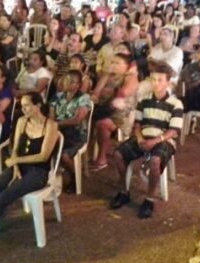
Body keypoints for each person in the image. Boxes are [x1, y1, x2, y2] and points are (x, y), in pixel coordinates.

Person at [0, 92, 59, 241]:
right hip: (20, 165)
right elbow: (15, 148)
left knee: (6, 195)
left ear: (38, 105)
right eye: (22, 106)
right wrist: (16, 165)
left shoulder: (50, 125)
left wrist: (16, 160)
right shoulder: (22, 121)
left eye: (27, 106)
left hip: (38, 172)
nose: (23, 109)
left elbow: (44, 156)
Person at [108, 61, 183, 219]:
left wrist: (155, 141)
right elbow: (137, 124)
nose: (155, 83)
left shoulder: (176, 104)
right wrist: (140, 138)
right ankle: (124, 190)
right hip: (143, 137)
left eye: (160, 80)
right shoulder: (144, 100)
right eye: (153, 79)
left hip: (163, 140)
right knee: (118, 155)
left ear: (168, 82)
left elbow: (173, 131)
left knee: (155, 160)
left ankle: (149, 199)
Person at [49, 70, 92, 192]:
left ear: (79, 85)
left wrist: (57, 124)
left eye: (73, 82)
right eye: (67, 80)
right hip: (58, 132)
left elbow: (77, 120)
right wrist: (53, 126)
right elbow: (51, 116)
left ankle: (74, 177)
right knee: (43, 147)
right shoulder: (57, 96)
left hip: (76, 134)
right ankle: (47, 178)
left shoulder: (83, 98)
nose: (69, 84)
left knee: (64, 156)